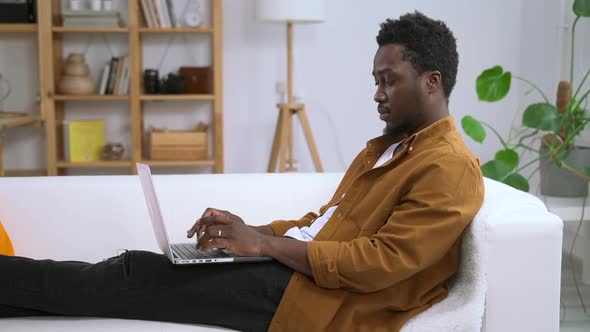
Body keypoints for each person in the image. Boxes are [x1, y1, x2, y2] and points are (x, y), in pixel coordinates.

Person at [0, 11, 484, 332]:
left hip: (315, 302)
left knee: (133, 272)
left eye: (388, 81)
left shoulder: (449, 168)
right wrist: (248, 233)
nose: (378, 94)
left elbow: (379, 263)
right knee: (138, 272)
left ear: (432, 81)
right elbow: (325, 223)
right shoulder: (388, 149)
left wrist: (265, 246)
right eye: (376, 81)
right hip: (294, 274)